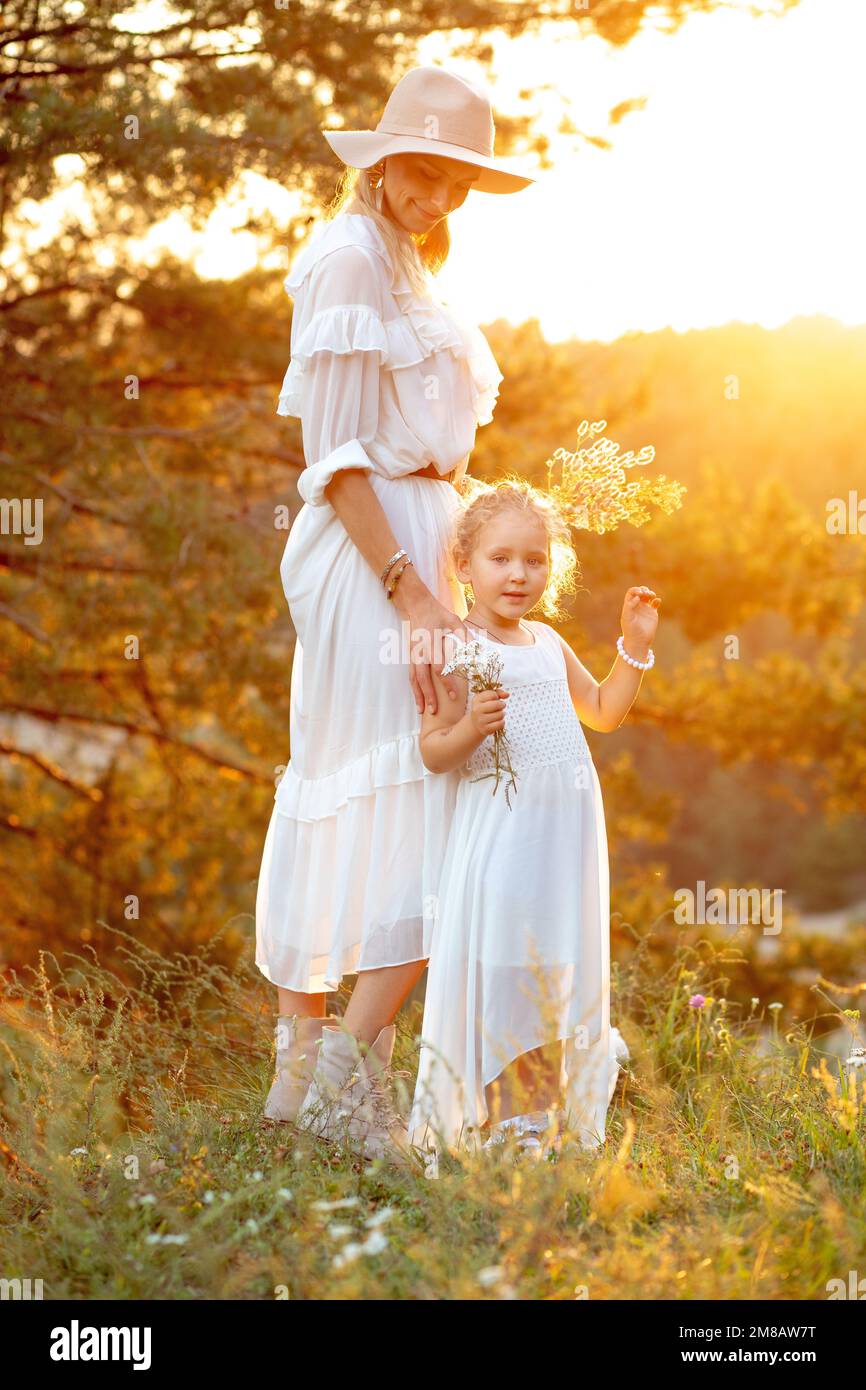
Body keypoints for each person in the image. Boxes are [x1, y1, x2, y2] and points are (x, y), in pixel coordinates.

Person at [254, 66, 535, 1161]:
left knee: (385, 786)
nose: (441, 198)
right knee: (410, 786)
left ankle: (309, 1096)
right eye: (426, 174)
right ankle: (331, 1085)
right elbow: (332, 460)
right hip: (367, 559)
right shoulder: (344, 258)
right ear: (380, 158)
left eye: (460, 181)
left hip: (423, 543)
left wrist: (465, 544)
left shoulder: (412, 260)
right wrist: (410, 588)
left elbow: (420, 445)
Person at [407, 478, 659, 1160]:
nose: (520, 573)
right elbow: (433, 750)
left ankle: (539, 1123)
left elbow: (604, 711)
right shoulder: (453, 644)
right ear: (463, 565)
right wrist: (471, 731)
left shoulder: (547, 642)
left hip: (564, 842)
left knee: (552, 970)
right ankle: (508, 1126)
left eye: (536, 559)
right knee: (510, 972)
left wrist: (633, 648)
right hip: (506, 842)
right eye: (501, 558)